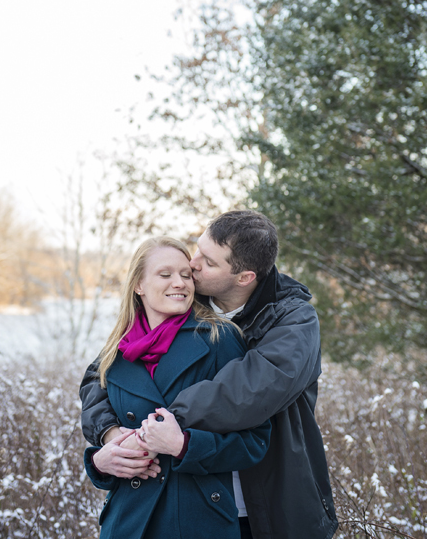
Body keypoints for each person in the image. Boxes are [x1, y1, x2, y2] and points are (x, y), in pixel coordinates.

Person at [81, 211, 338, 539]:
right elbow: (99, 377)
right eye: (197, 249)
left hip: (263, 495)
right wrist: (109, 437)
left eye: (209, 262)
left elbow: (248, 392)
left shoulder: (289, 322)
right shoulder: (172, 306)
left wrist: (156, 427)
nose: (193, 265)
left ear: (243, 277)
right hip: (141, 510)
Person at [83, 235, 271, 539]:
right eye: (165, 274)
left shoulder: (218, 339)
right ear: (139, 285)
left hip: (197, 520)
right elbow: (94, 399)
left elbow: (255, 441)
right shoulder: (118, 349)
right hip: (128, 521)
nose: (180, 283)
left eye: (186, 274)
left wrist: (183, 446)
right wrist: (102, 457)